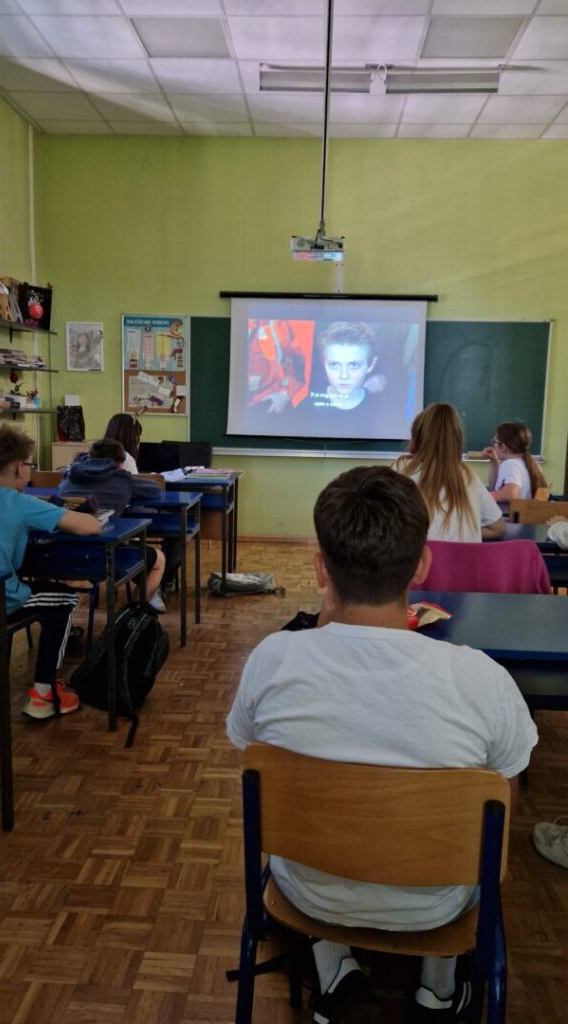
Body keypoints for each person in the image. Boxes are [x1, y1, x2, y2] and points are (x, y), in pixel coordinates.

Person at [227, 466, 537, 1023]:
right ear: (422, 565)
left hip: (309, 892)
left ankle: (335, 975)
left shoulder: (272, 660)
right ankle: (438, 992)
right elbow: (504, 801)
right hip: (437, 902)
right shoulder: (483, 679)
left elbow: (256, 765)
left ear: (321, 570)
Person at [0, 424, 102, 719]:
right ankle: (43, 694)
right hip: (1, 599)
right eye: (29, 465)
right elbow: (90, 526)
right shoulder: (21, 503)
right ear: (18, 468)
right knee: (65, 599)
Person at [58, 438, 166, 611]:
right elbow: (154, 489)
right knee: (159, 559)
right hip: (102, 556)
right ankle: (134, 614)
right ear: (120, 463)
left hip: (61, 554)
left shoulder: (70, 475)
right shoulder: (122, 478)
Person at [394, 403, 505, 541]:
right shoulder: (468, 476)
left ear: (414, 442)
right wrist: (467, 531)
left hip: (419, 554)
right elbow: (499, 529)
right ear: (457, 442)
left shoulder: (401, 469)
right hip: (464, 556)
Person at [102, 414, 180, 595]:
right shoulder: (125, 459)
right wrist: (151, 480)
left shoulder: (93, 457)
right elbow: (140, 492)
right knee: (178, 527)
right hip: (126, 515)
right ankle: (162, 582)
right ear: (132, 436)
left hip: (103, 522)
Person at [293, 321, 409, 439]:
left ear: (371, 365)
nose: (343, 376)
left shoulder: (382, 413)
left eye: (354, 365)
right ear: (324, 362)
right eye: (334, 364)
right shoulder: (305, 408)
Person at [482, 421, 547, 511]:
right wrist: (494, 462)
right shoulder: (527, 463)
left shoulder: (510, 464)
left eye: (494, 441)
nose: (493, 445)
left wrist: (484, 496)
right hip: (523, 518)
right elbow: (495, 488)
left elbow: (510, 494)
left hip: (510, 519)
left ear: (502, 446)